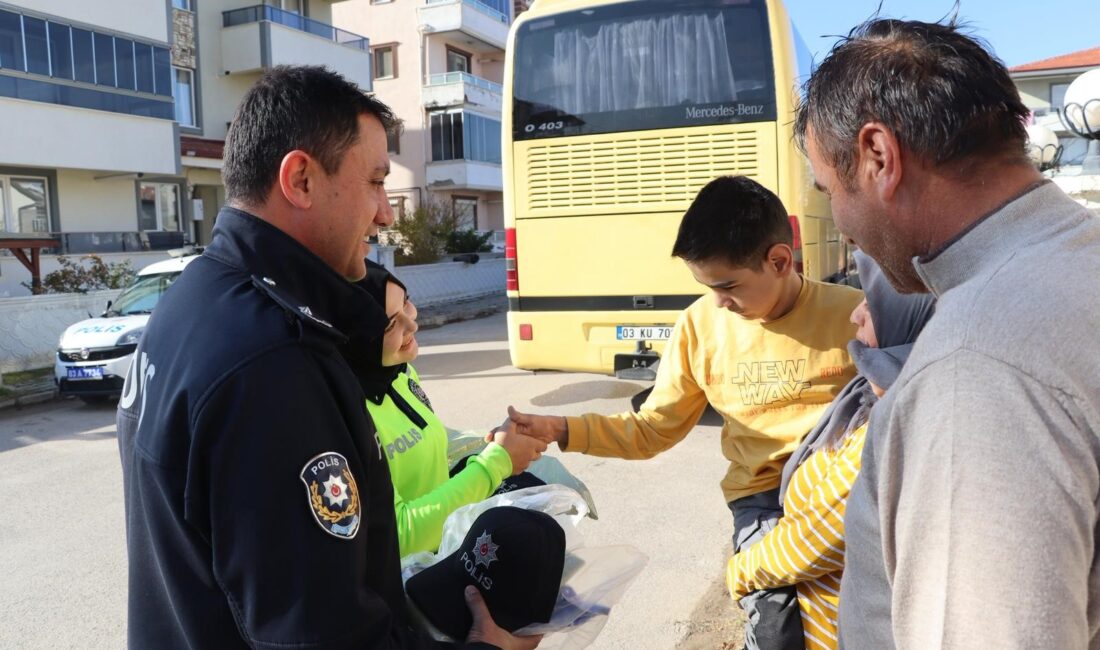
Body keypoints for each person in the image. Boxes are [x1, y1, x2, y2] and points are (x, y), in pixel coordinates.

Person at [117, 65, 537, 649]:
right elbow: (321, 634)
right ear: (301, 180)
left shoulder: (193, 301)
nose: (387, 213)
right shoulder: (271, 362)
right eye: (374, 182)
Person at [795, 18, 1100, 648]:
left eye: (828, 190)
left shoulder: (976, 364)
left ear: (879, 157)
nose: (841, 224)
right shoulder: (1076, 254)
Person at [503, 175, 864, 650]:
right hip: (763, 501)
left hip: (843, 496)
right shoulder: (699, 326)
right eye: (707, 286)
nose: (718, 301)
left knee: (861, 616)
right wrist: (558, 427)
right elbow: (653, 429)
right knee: (776, 630)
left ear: (778, 260)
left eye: (728, 285)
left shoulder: (855, 313)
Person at [725, 252, 935, 650]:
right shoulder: (873, 399)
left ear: (905, 320)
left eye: (871, 306)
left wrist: (737, 572)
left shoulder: (887, 428)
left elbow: (806, 545)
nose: (855, 314)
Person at [358, 261, 545, 556]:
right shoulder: (347, 410)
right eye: (391, 323)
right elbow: (400, 536)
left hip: (444, 552)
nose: (412, 323)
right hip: (403, 585)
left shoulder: (400, 374)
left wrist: (488, 442)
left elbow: (429, 448)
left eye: (406, 302)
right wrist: (495, 463)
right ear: (357, 335)